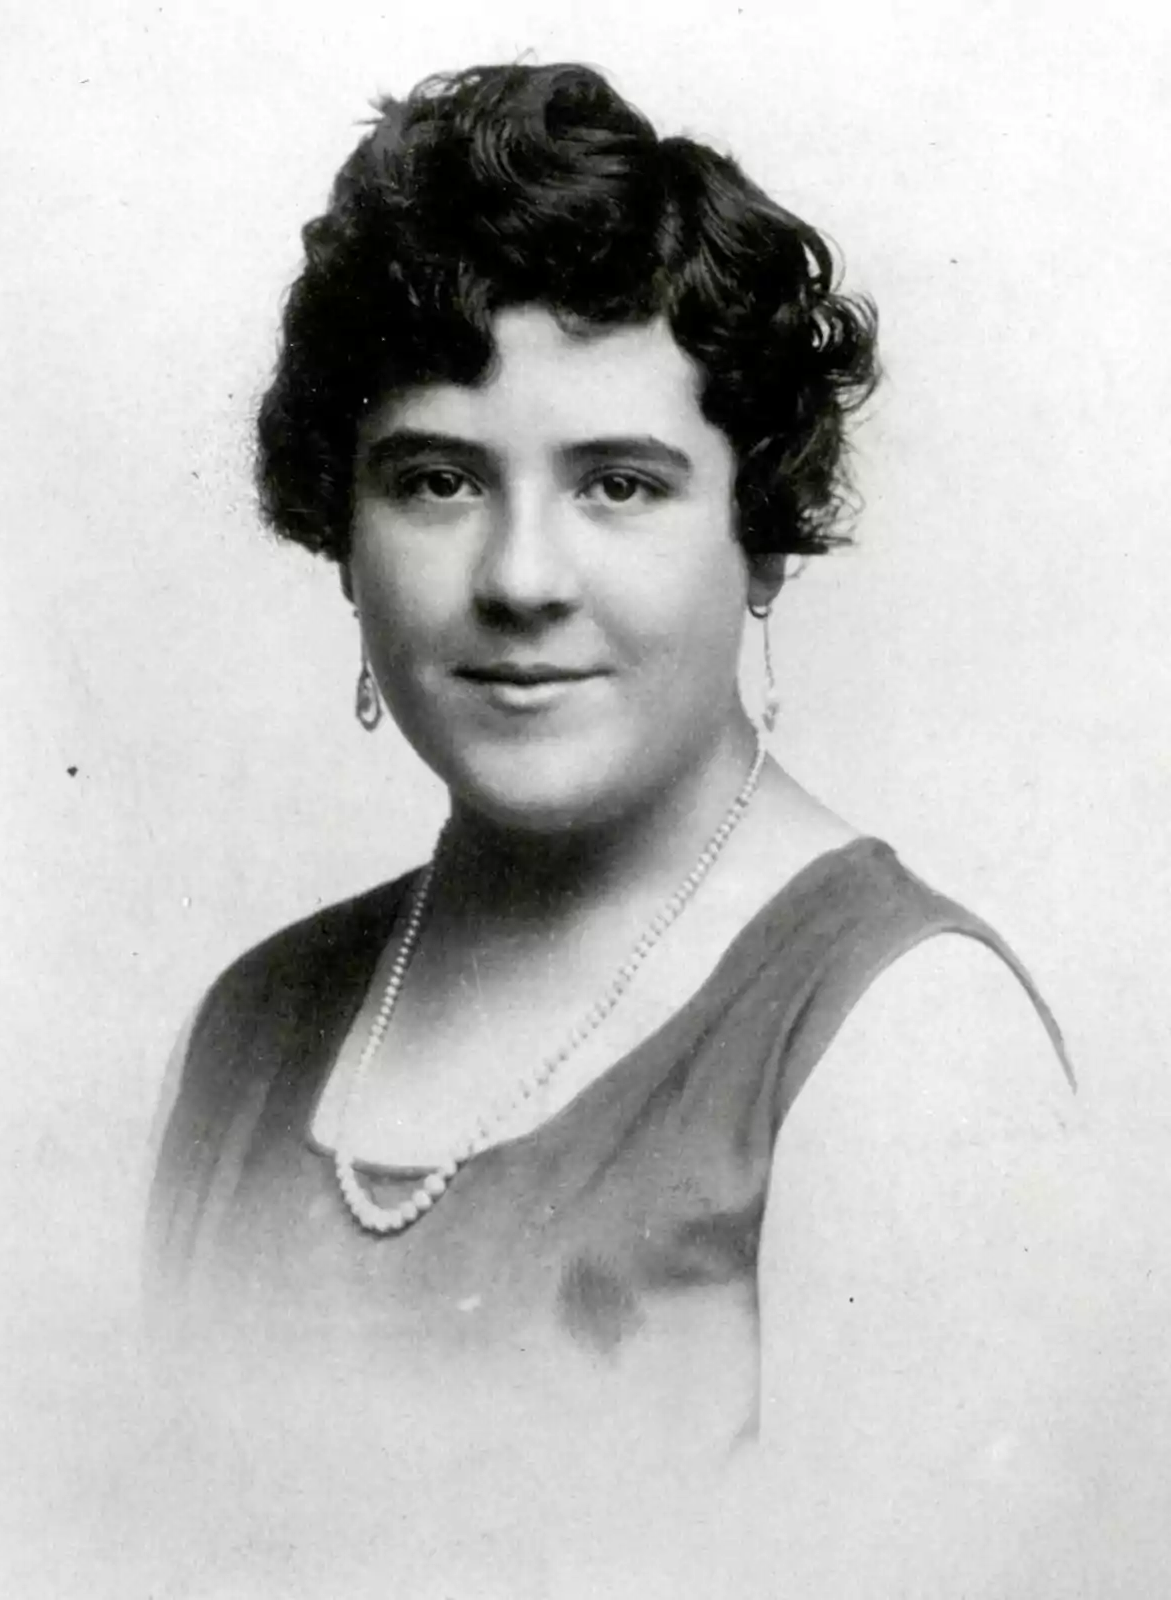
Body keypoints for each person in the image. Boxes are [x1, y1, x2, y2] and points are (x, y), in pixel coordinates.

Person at [146, 61, 1079, 1595]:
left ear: (761, 538)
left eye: (620, 485)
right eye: (437, 478)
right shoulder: (242, 1032)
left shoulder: (905, 1043)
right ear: (341, 531)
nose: (521, 577)